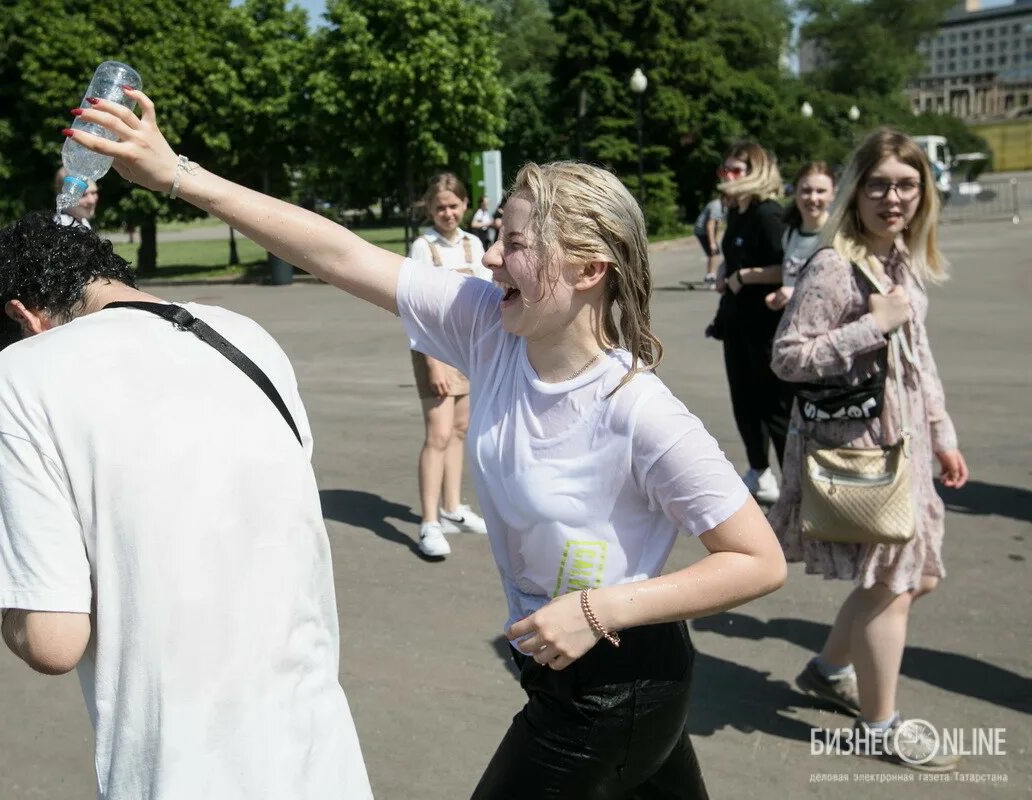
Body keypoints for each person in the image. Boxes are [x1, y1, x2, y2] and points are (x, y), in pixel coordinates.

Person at [66, 88, 788, 798]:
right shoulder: (488, 326)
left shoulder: (641, 412)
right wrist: (178, 176)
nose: (493, 261)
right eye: (496, 239)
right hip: (568, 666)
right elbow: (339, 253)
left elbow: (757, 561)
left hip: (612, 686)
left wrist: (600, 611)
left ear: (588, 269)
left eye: (514, 244)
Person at [0, 213, 372, 799]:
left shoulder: (19, 376)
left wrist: (13, 613)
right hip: (319, 752)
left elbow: (53, 640)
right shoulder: (244, 334)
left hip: (182, 768)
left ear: (23, 318)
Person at [769, 129, 967, 772]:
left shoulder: (901, 257)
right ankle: (880, 724)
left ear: (923, 192)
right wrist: (869, 325)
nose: (893, 197)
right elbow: (788, 357)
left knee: (920, 575)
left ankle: (829, 668)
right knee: (892, 583)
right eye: (880, 184)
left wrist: (943, 434)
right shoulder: (834, 265)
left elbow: (920, 359)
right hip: (860, 454)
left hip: (903, 444)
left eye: (907, 185)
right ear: (858, 190)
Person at [407, 174, 490, 558]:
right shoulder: (423, 247)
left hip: (470, 350)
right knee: (437, 434)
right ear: (430, 208)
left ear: (465, 204)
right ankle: (429, 523)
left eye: (453, 206)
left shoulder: (475, 243)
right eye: (440, 207)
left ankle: (453, 508)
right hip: (436, 352)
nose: (447, 213)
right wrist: (433, 362)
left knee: (460, 430)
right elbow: (416, 308)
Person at [714, 141, 790, 504]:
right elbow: (734, 255)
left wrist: (743, 276)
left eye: (736, 171)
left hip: (765, 325)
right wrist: (725, 270)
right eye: (724, 170)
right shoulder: (738, 213)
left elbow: (785, 268)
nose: (727, 177)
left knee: (774, 406)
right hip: (736, 323)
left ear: (755, 172)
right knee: (745, 403)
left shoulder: (768, 214)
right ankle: (759, 471)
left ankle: (795, 481)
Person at [765, 162, 836, 311]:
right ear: (795, 193)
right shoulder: (790, 234)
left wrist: (797, 293)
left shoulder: (838, 236)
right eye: (806, 190)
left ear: (832, 195)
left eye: (821, 191)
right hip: (791, 324)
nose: (812, 197)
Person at [692, 194, 725, 288]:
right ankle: (710, 277)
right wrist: (712, 243)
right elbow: (710, 225)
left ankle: (710, 275)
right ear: (724, 197)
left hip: (707, 231)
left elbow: (718, 224)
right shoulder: (716, 206)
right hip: (702, 231)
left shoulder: (724, 206)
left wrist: (716, 240)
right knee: (713, 252)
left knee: (714, 252)